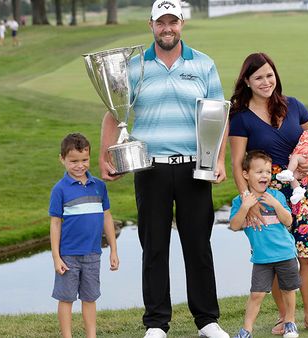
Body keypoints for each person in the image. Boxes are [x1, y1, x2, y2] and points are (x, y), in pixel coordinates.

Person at [98, 1, 229, 337]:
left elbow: (219, 114)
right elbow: (115, 113)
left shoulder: (203, 63)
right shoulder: (135, 67)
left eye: (173, 21)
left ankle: (207, 321)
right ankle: (156, 323)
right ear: (151, 25)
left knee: (198, 245)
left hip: (193, 167)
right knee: (154, 247)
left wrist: (219, 159)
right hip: (150, 168)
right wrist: (104, 157)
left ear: (182, 23)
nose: (167, 28)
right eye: (161, 22)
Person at [229, 52, 308, 335]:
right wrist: (247, 202)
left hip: (301, 192)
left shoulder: (294, 106)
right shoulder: (240, 117)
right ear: (247, 82)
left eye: (269, 75)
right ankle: (284, 317)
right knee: (277, 257)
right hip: (266, 195)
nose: (266, 82)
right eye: (258, 77)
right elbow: (237, 163)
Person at [49, 133, 119, 338]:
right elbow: (55, 223)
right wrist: (56, 256)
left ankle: (91, 335)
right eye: (73, 161)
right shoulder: (59, 190)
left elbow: (107, 217)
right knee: (66, 298)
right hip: (68, 255)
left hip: (93, 254)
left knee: (90, 298)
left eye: (84, 160)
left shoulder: (99, 186)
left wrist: (113, 250)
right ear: (62, 159)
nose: (80, 165)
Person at [229, 150, 300, 338]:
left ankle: (290, 323)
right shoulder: (240, 201)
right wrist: (245, 207)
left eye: (268, 172)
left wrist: (276, 205)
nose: (265, 176)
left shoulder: (276, 196)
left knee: (288, 290)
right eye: (259, 172)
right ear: (246, 174)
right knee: (257, 294)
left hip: (285, 253)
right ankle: (246, 330)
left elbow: (288, 221)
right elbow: (235, 226)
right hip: (261, 257)